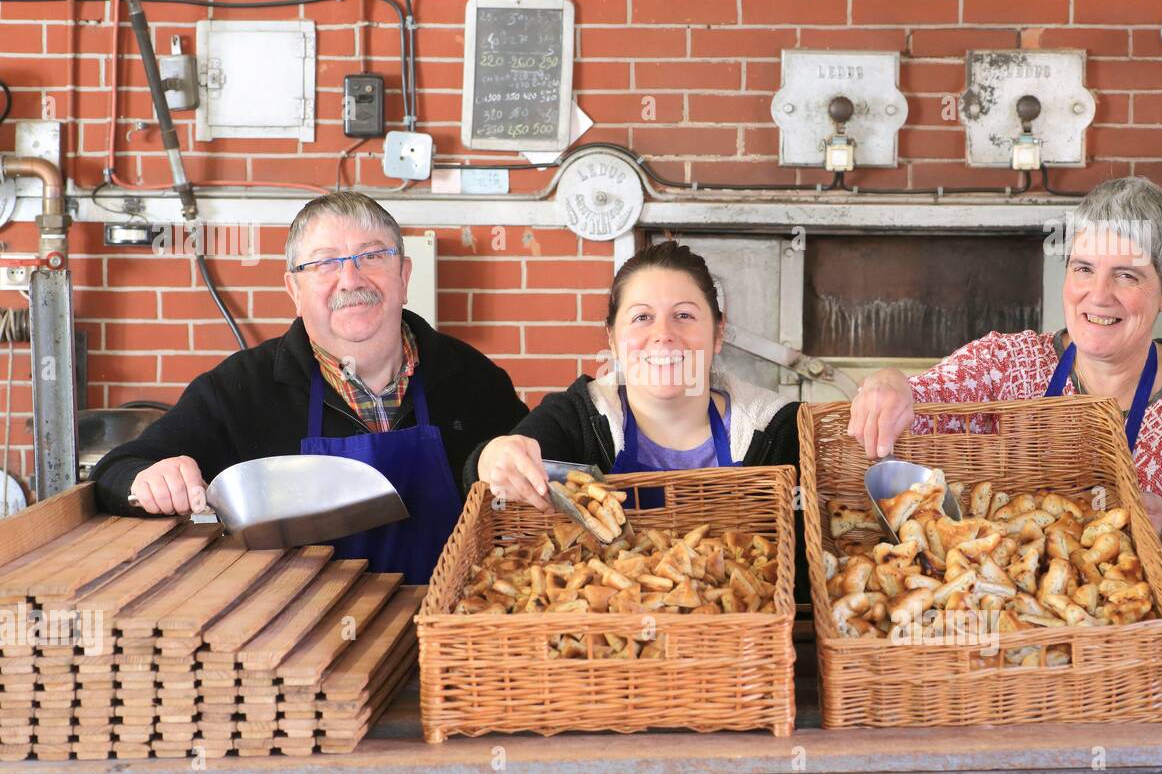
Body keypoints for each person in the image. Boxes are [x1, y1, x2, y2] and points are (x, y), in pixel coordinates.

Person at [847, 176, 1162, 595]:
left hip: (1134, 637)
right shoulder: (1008, 365)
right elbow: (916, 408)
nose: (1098, 296)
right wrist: (889, 381)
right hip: (1005, 624)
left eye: (1126, 276)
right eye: (1084, 268)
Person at [92, 191, 528, 584]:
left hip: (453, 639)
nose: (351, 279)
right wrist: (150, 478)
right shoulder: (242, 390)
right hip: (299, 649)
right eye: (323, 263)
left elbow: (539, 483)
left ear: (403, 275)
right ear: (294, 290)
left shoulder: (474, 380)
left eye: (372, 256)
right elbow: (117, 470)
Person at [470, 240, 799, 508]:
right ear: (612, 338)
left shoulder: (780, 429)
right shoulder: (576, 418)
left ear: (718, 332)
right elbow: (490, 474)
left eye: (684, 315)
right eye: (642, 317)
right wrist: (492, 459)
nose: (663, 334)